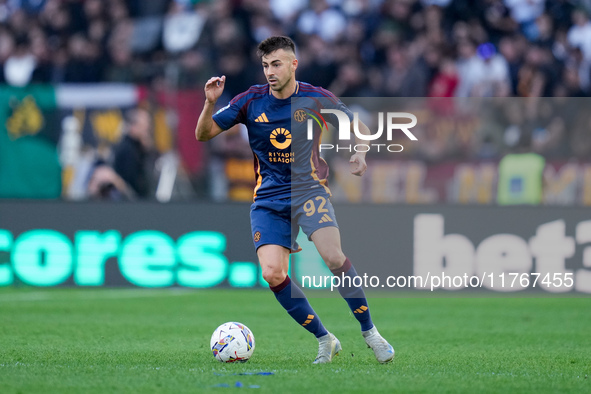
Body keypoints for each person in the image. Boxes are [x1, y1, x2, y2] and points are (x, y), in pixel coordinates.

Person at [195, 36, 394, 364]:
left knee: (333, 257)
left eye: (276, 64)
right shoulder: (250, 101)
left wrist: (359, 153)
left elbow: (355, 124)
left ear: (293, 64)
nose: (270, 72)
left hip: (309, 191)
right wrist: (209, 102)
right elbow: (203, 134)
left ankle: (370, 332)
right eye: (265, 66)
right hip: (269, 198)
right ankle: (324, 339)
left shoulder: (316, 98)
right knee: (272, 273)